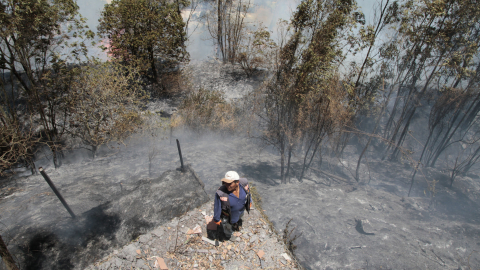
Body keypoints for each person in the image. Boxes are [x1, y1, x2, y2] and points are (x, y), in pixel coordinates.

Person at [213, 171, 252, 240]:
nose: (227, 185)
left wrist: (250, 201)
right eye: (225, 183)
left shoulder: (244, 183)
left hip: (241, 211)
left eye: (230, 183)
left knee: (240, 217)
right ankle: (228, 235)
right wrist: (216, 219)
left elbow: (248, 192)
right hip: (228, 216)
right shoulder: (221, 193)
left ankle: (237, 222)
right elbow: (217, 206)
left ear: (237, 182)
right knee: (228, 226)